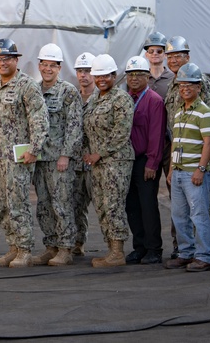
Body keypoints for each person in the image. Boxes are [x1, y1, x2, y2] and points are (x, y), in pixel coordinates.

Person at [0, 39, 49, 268]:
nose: (2, 63)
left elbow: (39, 119)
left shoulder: (27, 85)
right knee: (1, 205)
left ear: (16, 60)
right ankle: (12, 247)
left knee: (18, 203)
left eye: (6, 58)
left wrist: (35, 149)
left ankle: (24, 249)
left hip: (18, 158)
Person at [162, 36, 210, 256]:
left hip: (200, 157)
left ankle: (206, 253)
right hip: (179, 157)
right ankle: (185, 252)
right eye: (171, 56)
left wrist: (202, 166)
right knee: (181, 212)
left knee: (203, 210)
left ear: (188, 57)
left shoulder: (200, 81)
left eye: (178, 55)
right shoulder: (172, 85)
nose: (174, 60)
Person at [82, 54, 134, 268]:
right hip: (97, 164)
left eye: (106, 75)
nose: (101, 79)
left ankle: (118, 251)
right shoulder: (94, 98)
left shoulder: (121, 99)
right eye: (98, 76)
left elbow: (121, 132)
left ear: (114, 76)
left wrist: (99, 153)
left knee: (113, 205)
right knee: (102, 206)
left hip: (116, 162)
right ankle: (110, 248)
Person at [32, 44, 81, 267]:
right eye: (45, 64)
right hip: (38, 158)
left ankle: (66, 248)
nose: (48, 69)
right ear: (39, 65)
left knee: (62, 204)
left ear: (59, 67)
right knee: (44, 205)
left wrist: (66, 155)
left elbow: (74, 126)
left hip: (58, 160)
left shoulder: (68, 91)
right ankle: (50, 246)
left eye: (53, 65)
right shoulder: (33, 89)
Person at [123, 56, 166, 265]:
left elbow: (156, 135)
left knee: (147, 205)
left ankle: (153, 248)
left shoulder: (154, 100)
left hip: (145, 161)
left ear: (147, 76)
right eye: (130, 75)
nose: (134, 79)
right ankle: (138, 247)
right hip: (127, 160)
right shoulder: (125, 98)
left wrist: (152, 163)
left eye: (138, 74)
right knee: (131, 205)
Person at [70, 51, 96, 256]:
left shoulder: (102, 97)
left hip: (97, 161)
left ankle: (114, 248)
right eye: (80, 70)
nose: (83, 75)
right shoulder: (71, 97)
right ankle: (77, 243)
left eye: (87, 71)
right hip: (76, 160)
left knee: (105, 205)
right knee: (75, 205)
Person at [143, 32, 173, 97]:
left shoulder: (173, 79)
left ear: (165, 54)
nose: (155, 53)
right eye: (151, 51)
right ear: (146, 55)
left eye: (159, 51)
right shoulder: (142, 78)